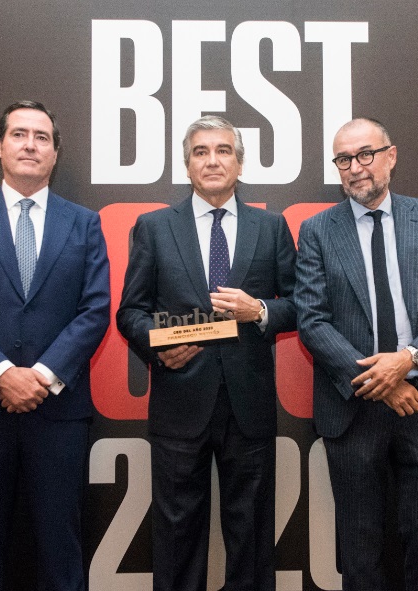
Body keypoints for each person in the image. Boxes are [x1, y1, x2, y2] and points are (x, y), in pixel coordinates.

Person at [0, 100, 111, 591]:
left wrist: (42, 377)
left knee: (61, 550)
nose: (30, 145)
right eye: (19, 134)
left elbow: (95, 309)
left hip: (58, 413)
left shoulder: (84, 223)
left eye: (42, 137)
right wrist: (3, 374)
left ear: (55, 152)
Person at [116, 115, 296, 591]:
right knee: (177, 542)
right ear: (187, 164)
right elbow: (130, 312)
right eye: (201, 152)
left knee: (252, 540)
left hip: (249, 406)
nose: (212, 160)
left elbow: (302, 305)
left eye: (223, 150)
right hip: (179, 404)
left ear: (240, 163)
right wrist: (159, 348)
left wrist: (259, 310)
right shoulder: (154, 228)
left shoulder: (271, 227)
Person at [295, 117, 418, 591]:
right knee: (359, 550)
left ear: (391, 156)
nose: (355, 168)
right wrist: (382, 381)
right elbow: (312, 321)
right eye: (344, 159)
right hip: (354, 407)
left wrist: (407, 360)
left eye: (365, 154)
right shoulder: (317, 231)